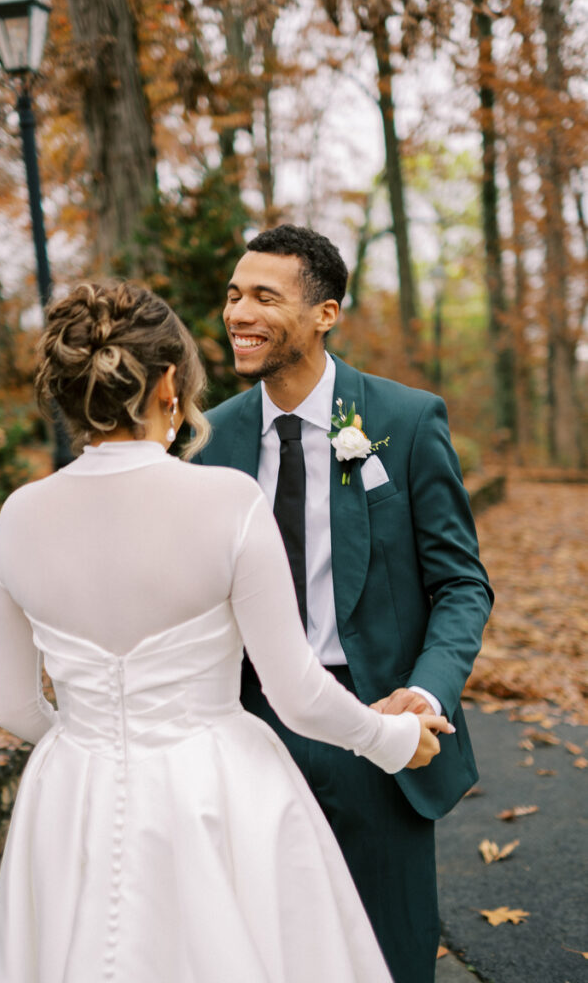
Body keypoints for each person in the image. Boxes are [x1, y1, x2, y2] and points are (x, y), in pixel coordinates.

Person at [0, 281, 452, 983]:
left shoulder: (18, 516)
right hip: (214, 789)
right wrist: (393, 740)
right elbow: (294, 692)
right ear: (168, 383)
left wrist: (102, 748)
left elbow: (12, 709)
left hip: (72, 793)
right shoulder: (226, 500)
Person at [193, 224, 494, 983]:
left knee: (389, 955)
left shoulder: (404, 420)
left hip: (375, 728)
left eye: (265, 296)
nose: (238, 313)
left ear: (325, 314)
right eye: (233, 295)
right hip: (250, 731)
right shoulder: (204, 440)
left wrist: (423, 695)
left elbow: (460, 583)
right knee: (264, 955)